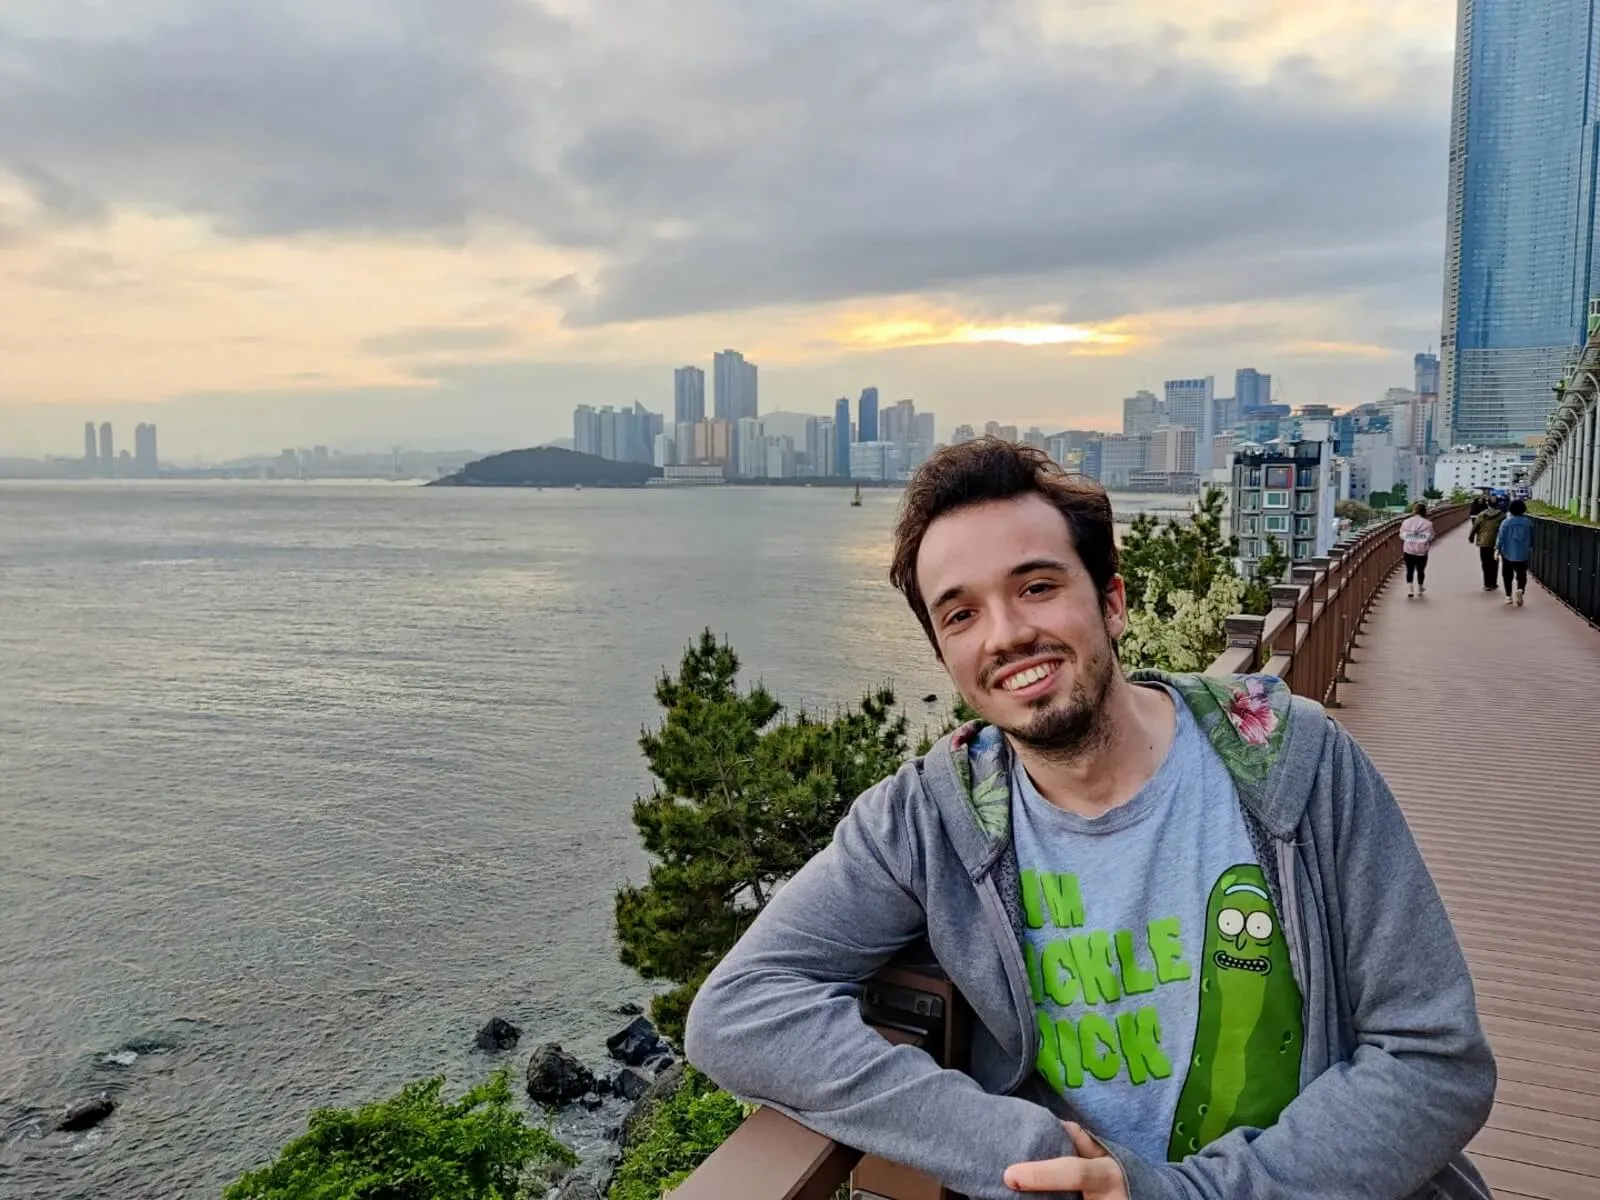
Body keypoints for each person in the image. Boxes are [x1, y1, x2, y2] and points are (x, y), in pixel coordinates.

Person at [686, 439, 1496, 1200]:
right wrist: (1018, 1144)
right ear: (944, 657)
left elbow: (1434, 1060)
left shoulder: (1292, 760)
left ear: (1111, 601)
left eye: (1037, 587)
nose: (1007, 635)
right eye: (960, 614)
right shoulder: (929, 816)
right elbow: (741, 1008)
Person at [1495, 499, 1534, 607]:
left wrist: (1497, 549)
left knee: (1507, 574)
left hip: (1507, 552)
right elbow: (1532, 538)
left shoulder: (1506, 522)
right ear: (1523, 509)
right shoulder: (1528, 523)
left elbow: (1501, 537)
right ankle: (1520, 589)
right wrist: (1530, 546)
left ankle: (1508, 596)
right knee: (1521, 574)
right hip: (1522, 553)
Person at [1470, 497, 1508, 591]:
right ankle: (1493, 583)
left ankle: (1487, 584)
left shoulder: (1482, 515)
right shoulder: (1502, 515)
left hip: (1483, 542)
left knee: (1485, 563)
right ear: (1497, 504)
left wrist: (1471, 536)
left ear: (1488, 504)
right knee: (1494, 563)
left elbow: (1475, 526)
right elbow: (1505, 529)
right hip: (1496, 542)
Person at [1400, 500, 1436, 597]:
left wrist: (1411, 538)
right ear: (1424, 512)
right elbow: (1431, 536)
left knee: (1409, 570)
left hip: (1408, 550)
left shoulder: (1406, 522)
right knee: (1421, 570)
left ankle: (1410, 589)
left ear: (1414, 511)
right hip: (1422, 551)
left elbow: (1402, 536)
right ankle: (1420, 587)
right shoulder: (1428, 524)